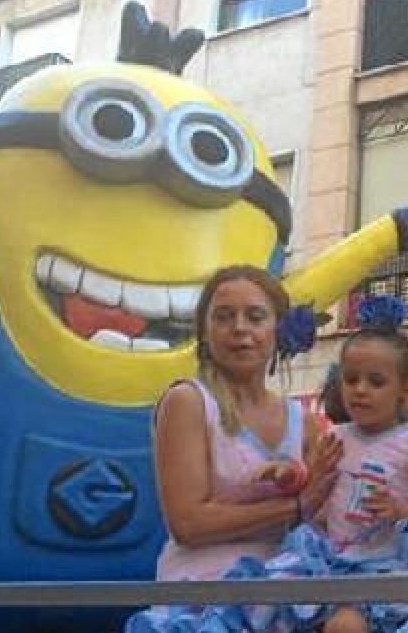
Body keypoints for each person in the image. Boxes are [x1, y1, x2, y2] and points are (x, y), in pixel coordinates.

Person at [125, 265, 342, 633]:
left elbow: (323, 516)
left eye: (255, 316)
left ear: (277, 330)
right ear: (205, 334)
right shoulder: (189, 402)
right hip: (203, 606)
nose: (239, 328)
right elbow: (188, 524)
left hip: (288, 605)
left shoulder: (301, 420)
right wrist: (293, 506)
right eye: (224, 317)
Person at [315, 294, 408, 633]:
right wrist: (298, 478)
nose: (360, 390)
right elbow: (313, 500)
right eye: (351, 380)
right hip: (335, 564)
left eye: (375, 382)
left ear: (405, 391)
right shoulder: (333, 437)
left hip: (391, 566)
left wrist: (401, 513)